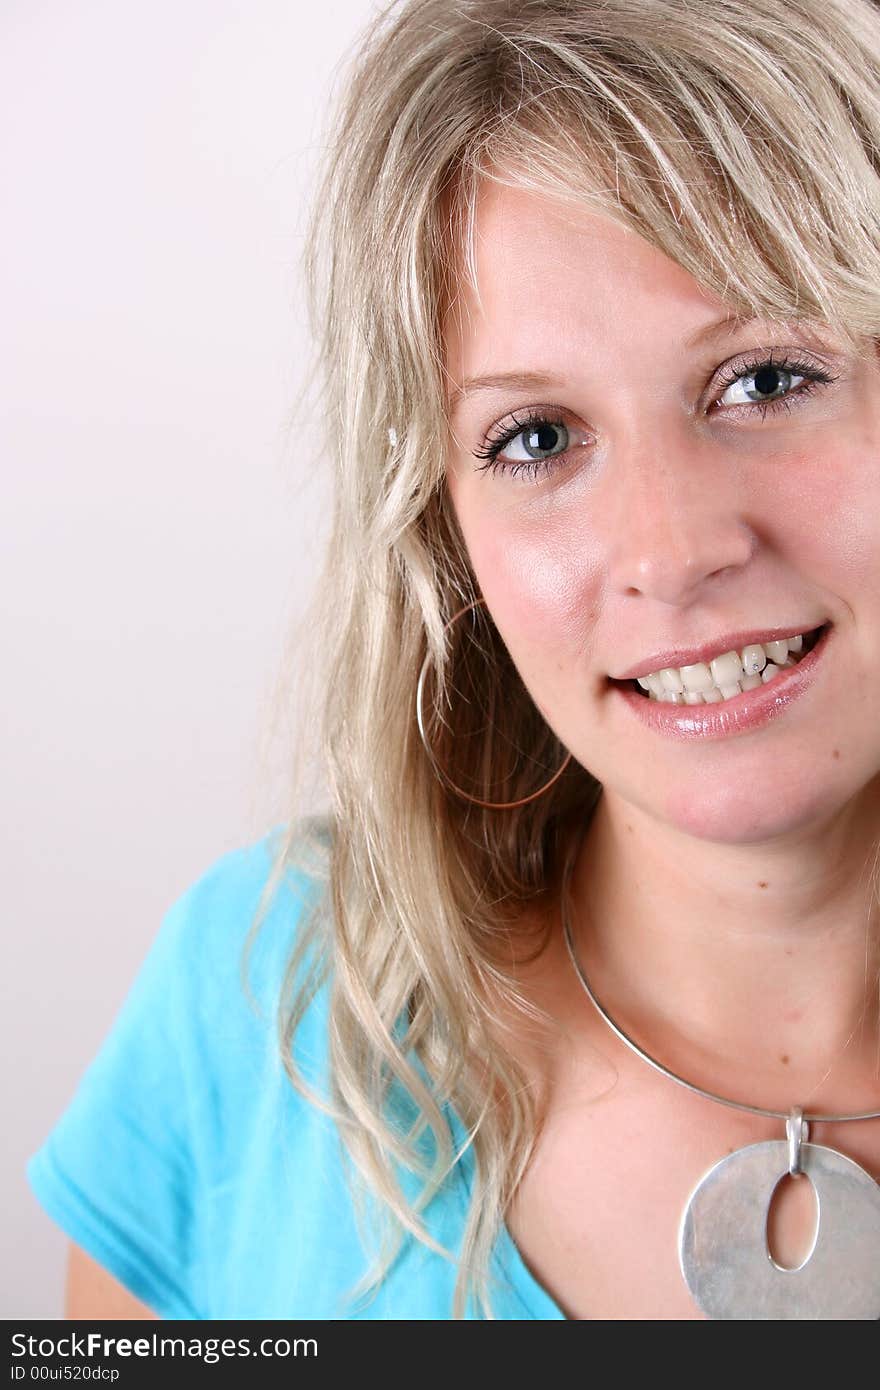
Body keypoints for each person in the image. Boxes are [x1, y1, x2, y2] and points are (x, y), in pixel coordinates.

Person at [27, 0, 880, 1321]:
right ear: (446, 537)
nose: (671, 549)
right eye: (537, 438)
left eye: (766, 378)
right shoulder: (263, 1002)